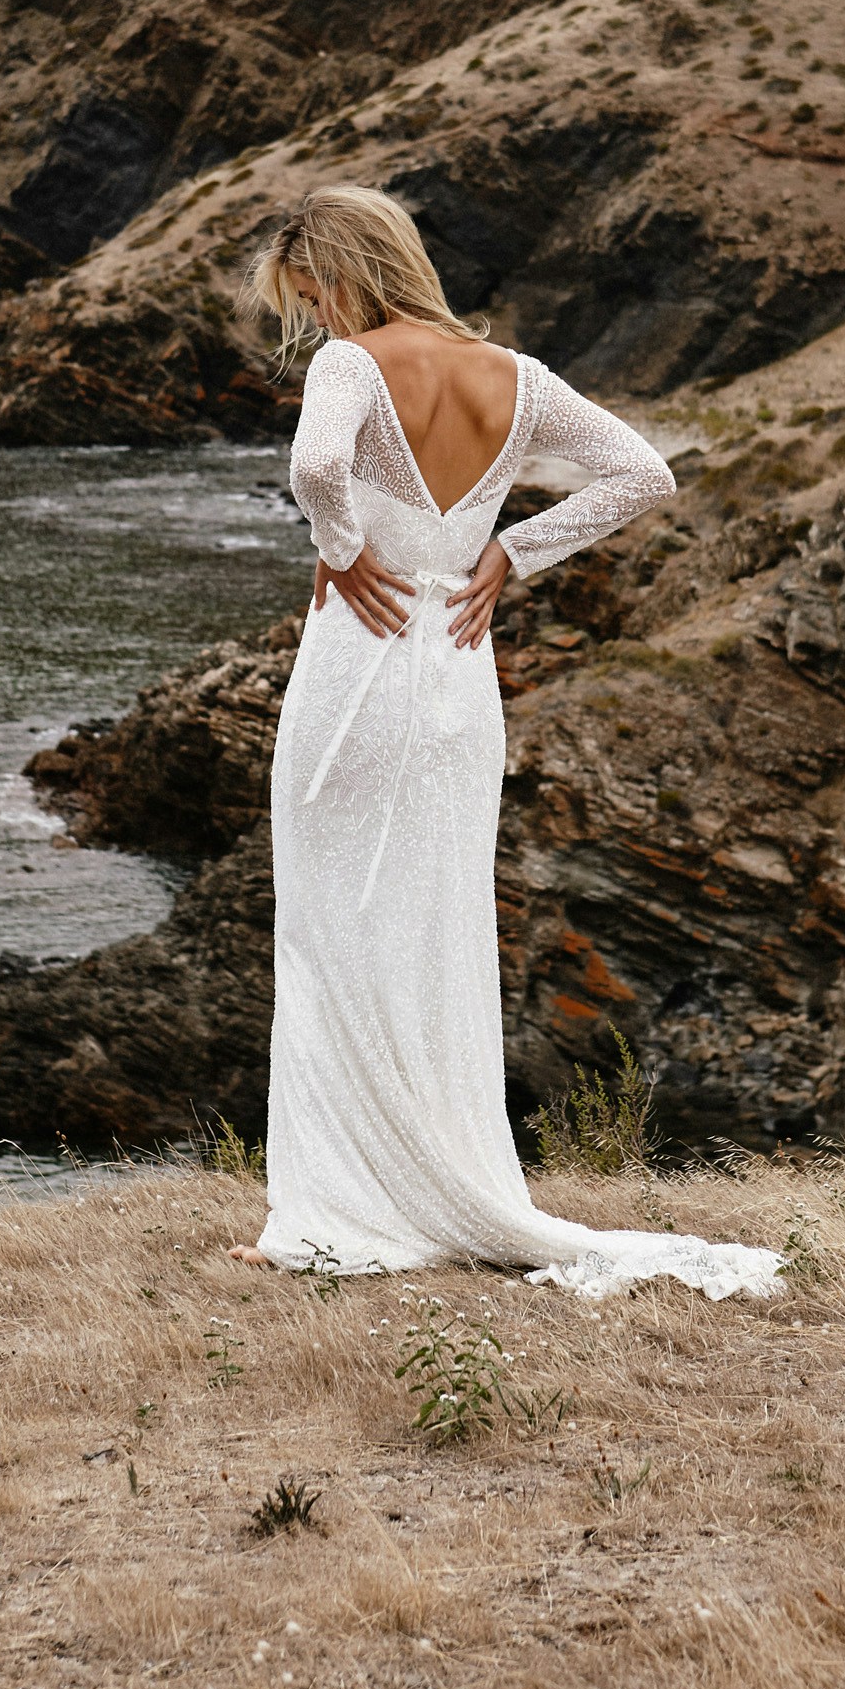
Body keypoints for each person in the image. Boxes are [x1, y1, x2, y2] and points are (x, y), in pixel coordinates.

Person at [228, 185, 781, 1303]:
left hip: (358, 665)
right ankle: (428, 1185)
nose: (315, 325)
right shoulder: (514, 378)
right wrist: (510, 557)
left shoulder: (349, 366)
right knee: (434, 930)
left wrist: (338, 552)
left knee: (331, 932)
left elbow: (315, 470)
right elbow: (642, 472)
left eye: (309, 298)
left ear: (339, 275)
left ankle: (328, 1215)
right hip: (455, 674)